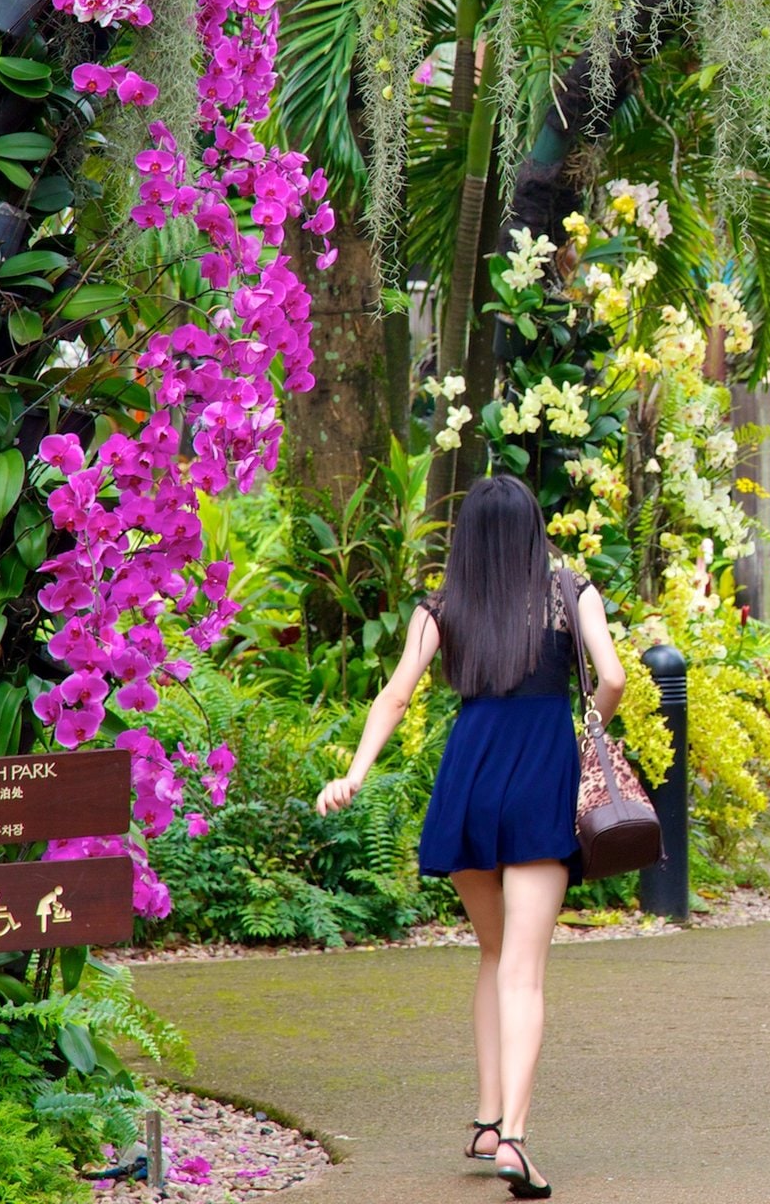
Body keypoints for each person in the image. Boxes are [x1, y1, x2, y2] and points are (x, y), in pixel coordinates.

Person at [318, 475, 626, 1199]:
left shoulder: (443, 606)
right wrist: (594, 730)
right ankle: (515, 1139)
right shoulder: (567, 591)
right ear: (531, 527)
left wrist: (354, 775)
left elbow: (395, 694)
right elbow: (609, 676)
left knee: (492, 954)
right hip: (539, 781)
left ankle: (488, 1119)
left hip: (468, 782)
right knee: (523, 969)